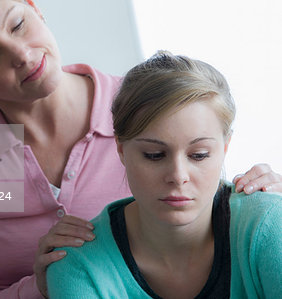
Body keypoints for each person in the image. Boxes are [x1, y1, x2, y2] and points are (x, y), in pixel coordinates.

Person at [0, 1, 282, 298]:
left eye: (18, 25)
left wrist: (262, 197)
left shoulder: (139, 109)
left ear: (35, 8)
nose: (23, 55)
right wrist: (37, 289)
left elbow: (204, 178)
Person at [47, 51, 282, 298]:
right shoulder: (76, 265)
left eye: (199, 155)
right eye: (154, 155)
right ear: (121, 150)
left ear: (224, 148)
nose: (178, 176)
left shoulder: (268, 226)